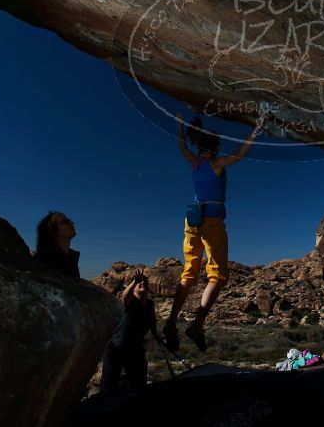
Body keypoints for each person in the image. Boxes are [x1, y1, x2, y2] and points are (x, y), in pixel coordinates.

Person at [163, 113, 263, 352]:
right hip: (211, 222)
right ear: (216, 146)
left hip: (192, 219)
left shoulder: (194, 163)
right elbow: (240, 154)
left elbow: (182, 147)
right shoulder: (216, 164)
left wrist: (179, 125)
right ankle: (197, 324)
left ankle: (170, 321)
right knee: (217, 276)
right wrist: (255, 132)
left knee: (189, 272)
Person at [100, 269, 157, 392]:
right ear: (134, 287)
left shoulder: (150, 304)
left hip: (135, 349)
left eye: (145, 282)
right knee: (108, 386)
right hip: (117, 349)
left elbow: (152, 321)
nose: (142, 283)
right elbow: (125, 296)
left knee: (139, 385)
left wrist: (156, 334)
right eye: (139, 282)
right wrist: (134, 281)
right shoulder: (130, 301)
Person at [33, 211, 80, 278]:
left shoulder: (71, 259)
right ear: (52, 230)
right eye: (65, 221)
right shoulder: (45, 261)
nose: (71, 223)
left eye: (70, 221)